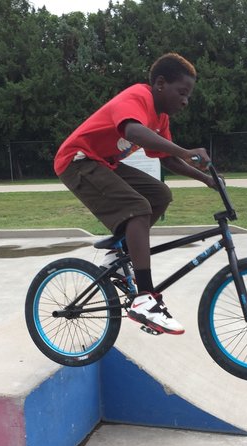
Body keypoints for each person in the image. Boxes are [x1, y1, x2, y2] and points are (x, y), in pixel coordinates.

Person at [54, 53, 215, 335]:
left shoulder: (161, 118)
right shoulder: (137, 96)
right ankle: (144, 298)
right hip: (76, 161)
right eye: (182, 92)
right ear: (161, 84)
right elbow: (133, 130)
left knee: (161, 194)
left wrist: (207, 179)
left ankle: (118, 254)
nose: (185, 100)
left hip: (104, 163)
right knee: (138, 207)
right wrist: (185, 151)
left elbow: (166, 157)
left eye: (188, 95)